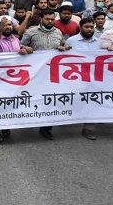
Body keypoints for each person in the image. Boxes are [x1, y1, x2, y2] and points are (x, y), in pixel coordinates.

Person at [19, 10, 68, 140]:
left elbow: (61, 46)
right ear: (41, 19)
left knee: (51, 99)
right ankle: (28, 119)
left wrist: (62, 48)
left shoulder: (58, 32)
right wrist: (24, 48)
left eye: (52, 19)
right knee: (33, 97)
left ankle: (46, 128)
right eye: (47, 19)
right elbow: (20, 45)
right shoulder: (31, 31)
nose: (50, 22)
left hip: (52, 73)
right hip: (35, 72)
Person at [65, 17, 103, 140]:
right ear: (80, 28)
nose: (89, 29)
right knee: (73, 100)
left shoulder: (99, 42)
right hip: (75, 77)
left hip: (93, 78)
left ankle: (89, 128)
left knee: (93, 101)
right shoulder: (71, 41)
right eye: (86, 27)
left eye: (91, 27)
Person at [0, 14, 21, 143]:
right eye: (4, 24)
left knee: (9, 103)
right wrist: (0, 28)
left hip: (13, 78)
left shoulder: (16, 39)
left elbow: (19, 51)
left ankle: (6, 125)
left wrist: (25, 49)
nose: (7, 27)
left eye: (9, 24)